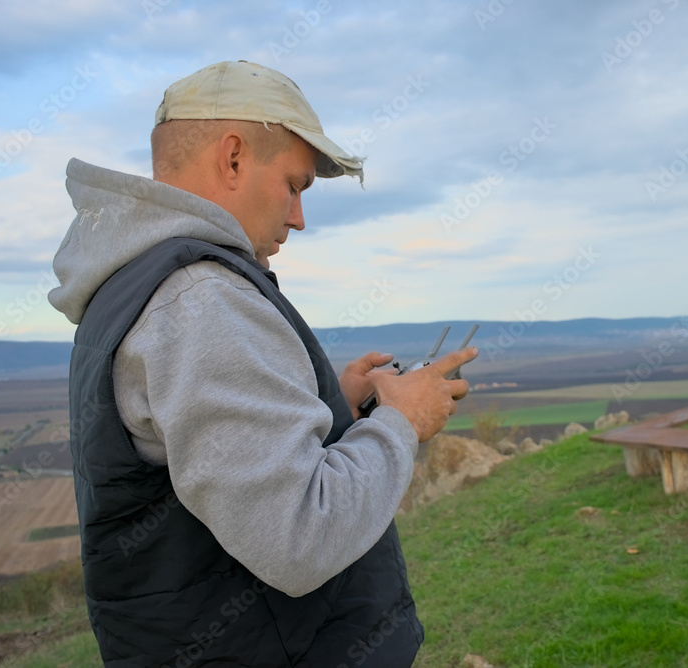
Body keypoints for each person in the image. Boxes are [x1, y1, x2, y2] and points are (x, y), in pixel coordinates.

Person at [47, 60, 477, 668]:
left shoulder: (136, 280)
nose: (299, 217)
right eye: (296, 185)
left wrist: (332, 404)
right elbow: (299, 535)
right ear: (232, 158)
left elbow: (196, 454)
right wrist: (400, 421)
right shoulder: (199, 299)